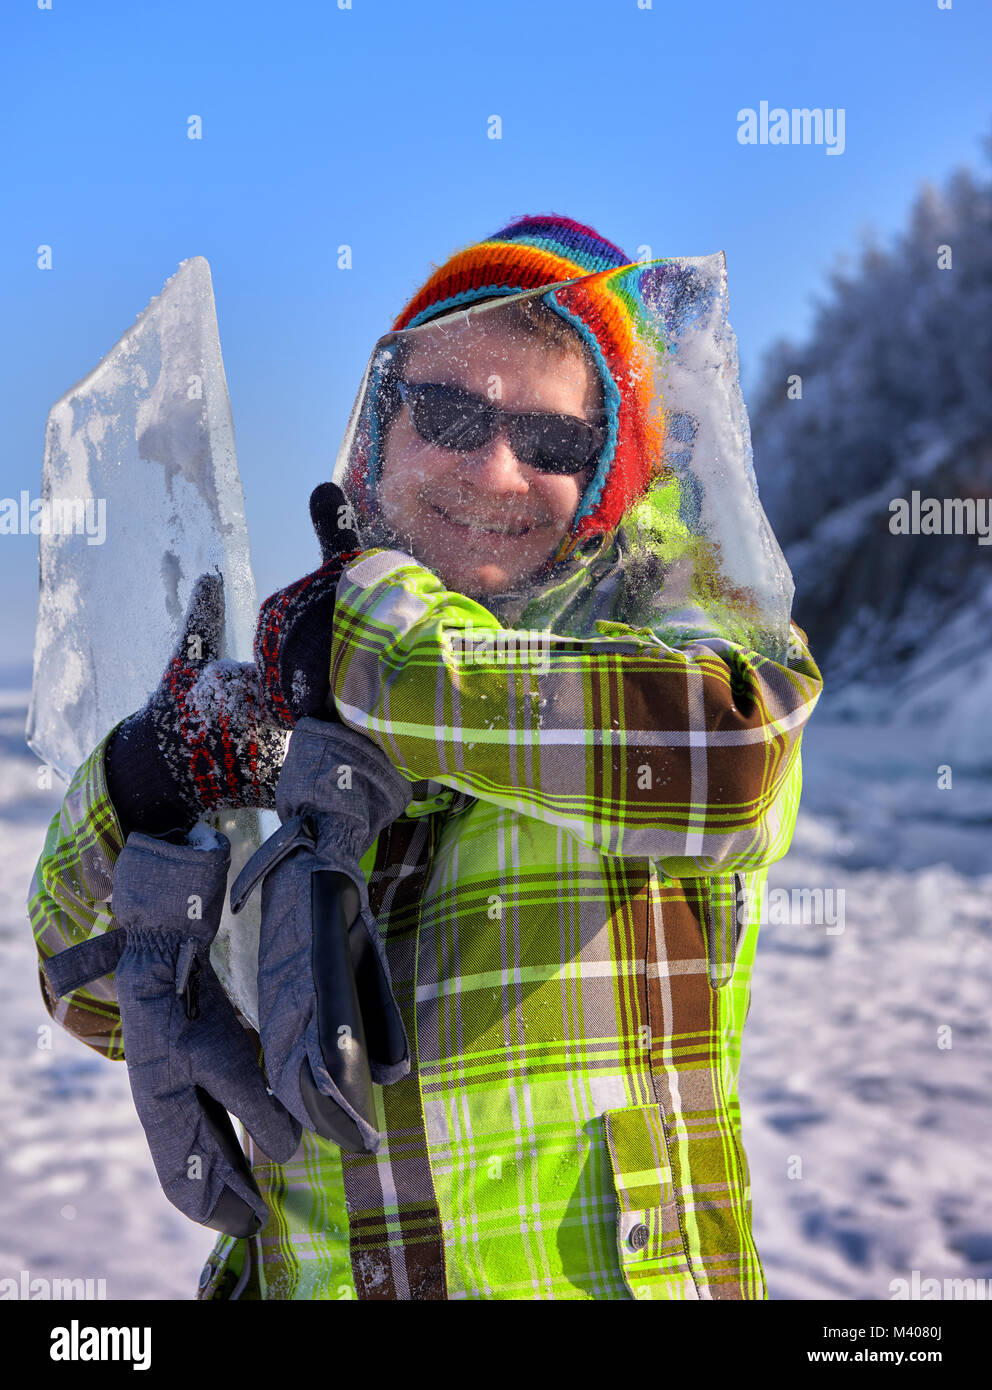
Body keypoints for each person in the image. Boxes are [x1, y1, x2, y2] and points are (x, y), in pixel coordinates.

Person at [28, 214, 823, 1300]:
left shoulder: (671, 668)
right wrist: (152, 771)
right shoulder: (296, 688)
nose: (493, 467)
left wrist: (362, 639)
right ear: (378, 437)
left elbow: (731, 762)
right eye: (447, 411)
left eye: (551, 442)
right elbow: (81, 984)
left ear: (603, 489)